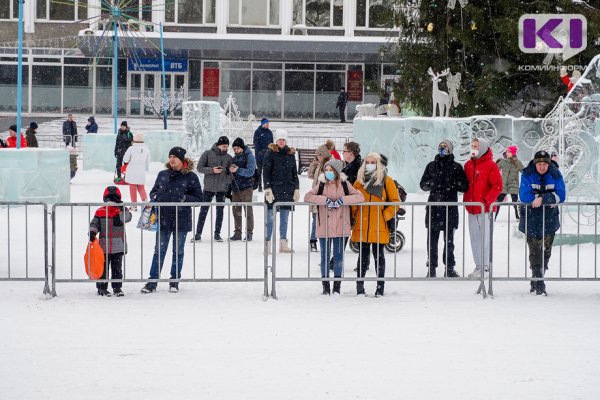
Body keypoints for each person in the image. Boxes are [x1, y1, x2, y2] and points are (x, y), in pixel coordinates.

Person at [141, 147, 203, 293]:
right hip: (163, 219)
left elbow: (199, 198)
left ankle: (174, 280)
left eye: (175, 156)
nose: (172, 159)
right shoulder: (162, 174)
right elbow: (153, 192)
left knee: (178, 251)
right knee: (159, 251)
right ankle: (152, 282)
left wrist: (184, 198)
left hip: (181, 220)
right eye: (170, 156)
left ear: (182, 159)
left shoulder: (191, 177)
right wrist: (157, 197)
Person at [305, 159, 365, 295]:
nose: (328, 172)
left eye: (331, 170)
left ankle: (337, 287)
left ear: (337, 172)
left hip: (341, 227)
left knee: (338, 257)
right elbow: (307, 196)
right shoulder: (321, 184)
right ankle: (325, 287)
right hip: (324, 226)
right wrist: (324, 200)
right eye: (326, 170)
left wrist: (342, 200)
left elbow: (360, 197)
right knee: (324, 257)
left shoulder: (345, 184)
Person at [351, 152, 400, 297]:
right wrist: (355, 213)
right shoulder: (359, 181)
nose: (370, 164)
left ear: (378, 164)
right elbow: (353, 200)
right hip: (363, 225)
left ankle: (380, 288)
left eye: (373, 162)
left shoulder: (387, 181)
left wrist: (385, 216)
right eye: (367, 162)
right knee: (362, 258)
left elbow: (395, 202)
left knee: (379, 256)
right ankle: (360, 288)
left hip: (379, 225)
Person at [519, 150, 566, 296]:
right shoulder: (527, 174)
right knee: (534, 251)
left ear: (549, 164)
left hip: (549, 219)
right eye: (539, 164)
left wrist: (542, 199)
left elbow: (561, 194)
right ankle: (539, 281)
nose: (542, 167)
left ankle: (538, 275)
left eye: (545, 164)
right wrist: (546, 197)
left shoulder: (556, 174)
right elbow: (524, 195)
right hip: (531, 219)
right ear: (535, 163)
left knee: (546, 252)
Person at [420, 140, 469, 278]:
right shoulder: (431, 166)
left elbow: (464, 186)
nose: (442, 148)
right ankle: (432, 268)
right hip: (434, 208)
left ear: (451, 149)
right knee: (432, 240)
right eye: (440, 146)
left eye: (445, 146)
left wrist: (452, 184)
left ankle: (449, 268)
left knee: (449, 241)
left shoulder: (457, 167)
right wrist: (432, 183)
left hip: (450, 208)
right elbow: (422, 184)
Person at [464, 137, 503, 278]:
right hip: (472, 207)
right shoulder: (468, 165)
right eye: (472, 146)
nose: (474, 148)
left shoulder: (491, 165)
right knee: (474, 238)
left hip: (484, 209)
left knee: (484, 238)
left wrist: (486, 201)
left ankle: (485, 267)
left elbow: (497, 186)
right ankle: (478, 265)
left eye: (476, 146)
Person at [89, 186, 132, 297]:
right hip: (104, 246)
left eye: (114, 198)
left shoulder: (121, 210)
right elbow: (94, 223)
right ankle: (102, 288)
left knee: (117, 268)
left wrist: (122, 207)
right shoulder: (100, 211)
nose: (111, 201)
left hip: (118, 245)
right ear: (105, 199)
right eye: (109, 198)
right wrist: (92, 232)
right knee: (103, 269)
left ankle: (117, 288)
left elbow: (128, 218)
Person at [263, 130, 299, 254]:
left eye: (283, 139)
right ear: (276, 141)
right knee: (270, 219)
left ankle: (283, 244)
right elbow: (266, 173)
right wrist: (267, 189)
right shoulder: (270, 153)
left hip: (287, 191)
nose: (281, 141)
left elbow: (295, 173)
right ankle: (267, 244)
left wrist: (297, 188)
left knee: (284, 219)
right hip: (273, 191)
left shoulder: (290, 154)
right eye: (279, 139)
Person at [193, 136, 233, 242]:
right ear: (219, 145)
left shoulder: (229, 157)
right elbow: (199, 168)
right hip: (208, 188)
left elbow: (231, 175)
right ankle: (198, 234)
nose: (225, 148)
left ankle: (217, 234)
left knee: (220, 212)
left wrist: (230, 172)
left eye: (227, 146)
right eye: (224, 146)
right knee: (203, 210)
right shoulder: (207, 153)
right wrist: (212, 170)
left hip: (221, 188)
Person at [229, 137, 257, 241]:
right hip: (236, 188)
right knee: (236, 211)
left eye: (237, 148)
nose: (236, 151)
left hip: (246, 188)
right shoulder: (234, 158)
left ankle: (249, 232)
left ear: (242, 147)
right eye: (234, 149)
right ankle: (237, 232)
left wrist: (238, 170)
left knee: (248, 211)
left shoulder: (249, 157)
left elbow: (251, 171)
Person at [307, 143, 332, 251]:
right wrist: (313, 164)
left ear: (323, 155)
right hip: (316, 196)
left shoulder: (329, 166)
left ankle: (321, 240)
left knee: (321, 219)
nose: (316, 156)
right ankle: (313, 240)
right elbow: (310, 175)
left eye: (318, 154)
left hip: (324, 196)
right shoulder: (319, 165)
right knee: (315, 218)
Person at [122, 133, 151, 210]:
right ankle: (146, 204)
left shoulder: (131, 149)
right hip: (141, 172)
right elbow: (148, 161)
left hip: (132, 172)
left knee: (132, 188)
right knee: (141, 188)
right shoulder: (146, 149)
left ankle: (134, 205)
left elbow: (125, 159)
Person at [495, 145, 524, 220]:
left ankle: (517, 216)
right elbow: (495, 168)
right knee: (498, 201)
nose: (506, 153)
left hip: (513, 185)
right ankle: (494, 216)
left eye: (508, 151)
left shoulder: (518, 162)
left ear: (512, 153)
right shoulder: (504, 161)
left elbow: (524, 172)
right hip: (504, 185)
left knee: (515, 202)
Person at [253, 118, 273, 192]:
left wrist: (270, 151)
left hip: (268, 155)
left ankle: (266, 185)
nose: (267, 124)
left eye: (268, 123)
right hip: (260, 155)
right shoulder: (257, 132)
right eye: (266, 123)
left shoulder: (270, 132)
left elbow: (272, 144)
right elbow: (256, 143)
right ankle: (259, 185)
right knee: (259, 171)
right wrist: (260, 152)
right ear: (262, 124)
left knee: (267, 171)